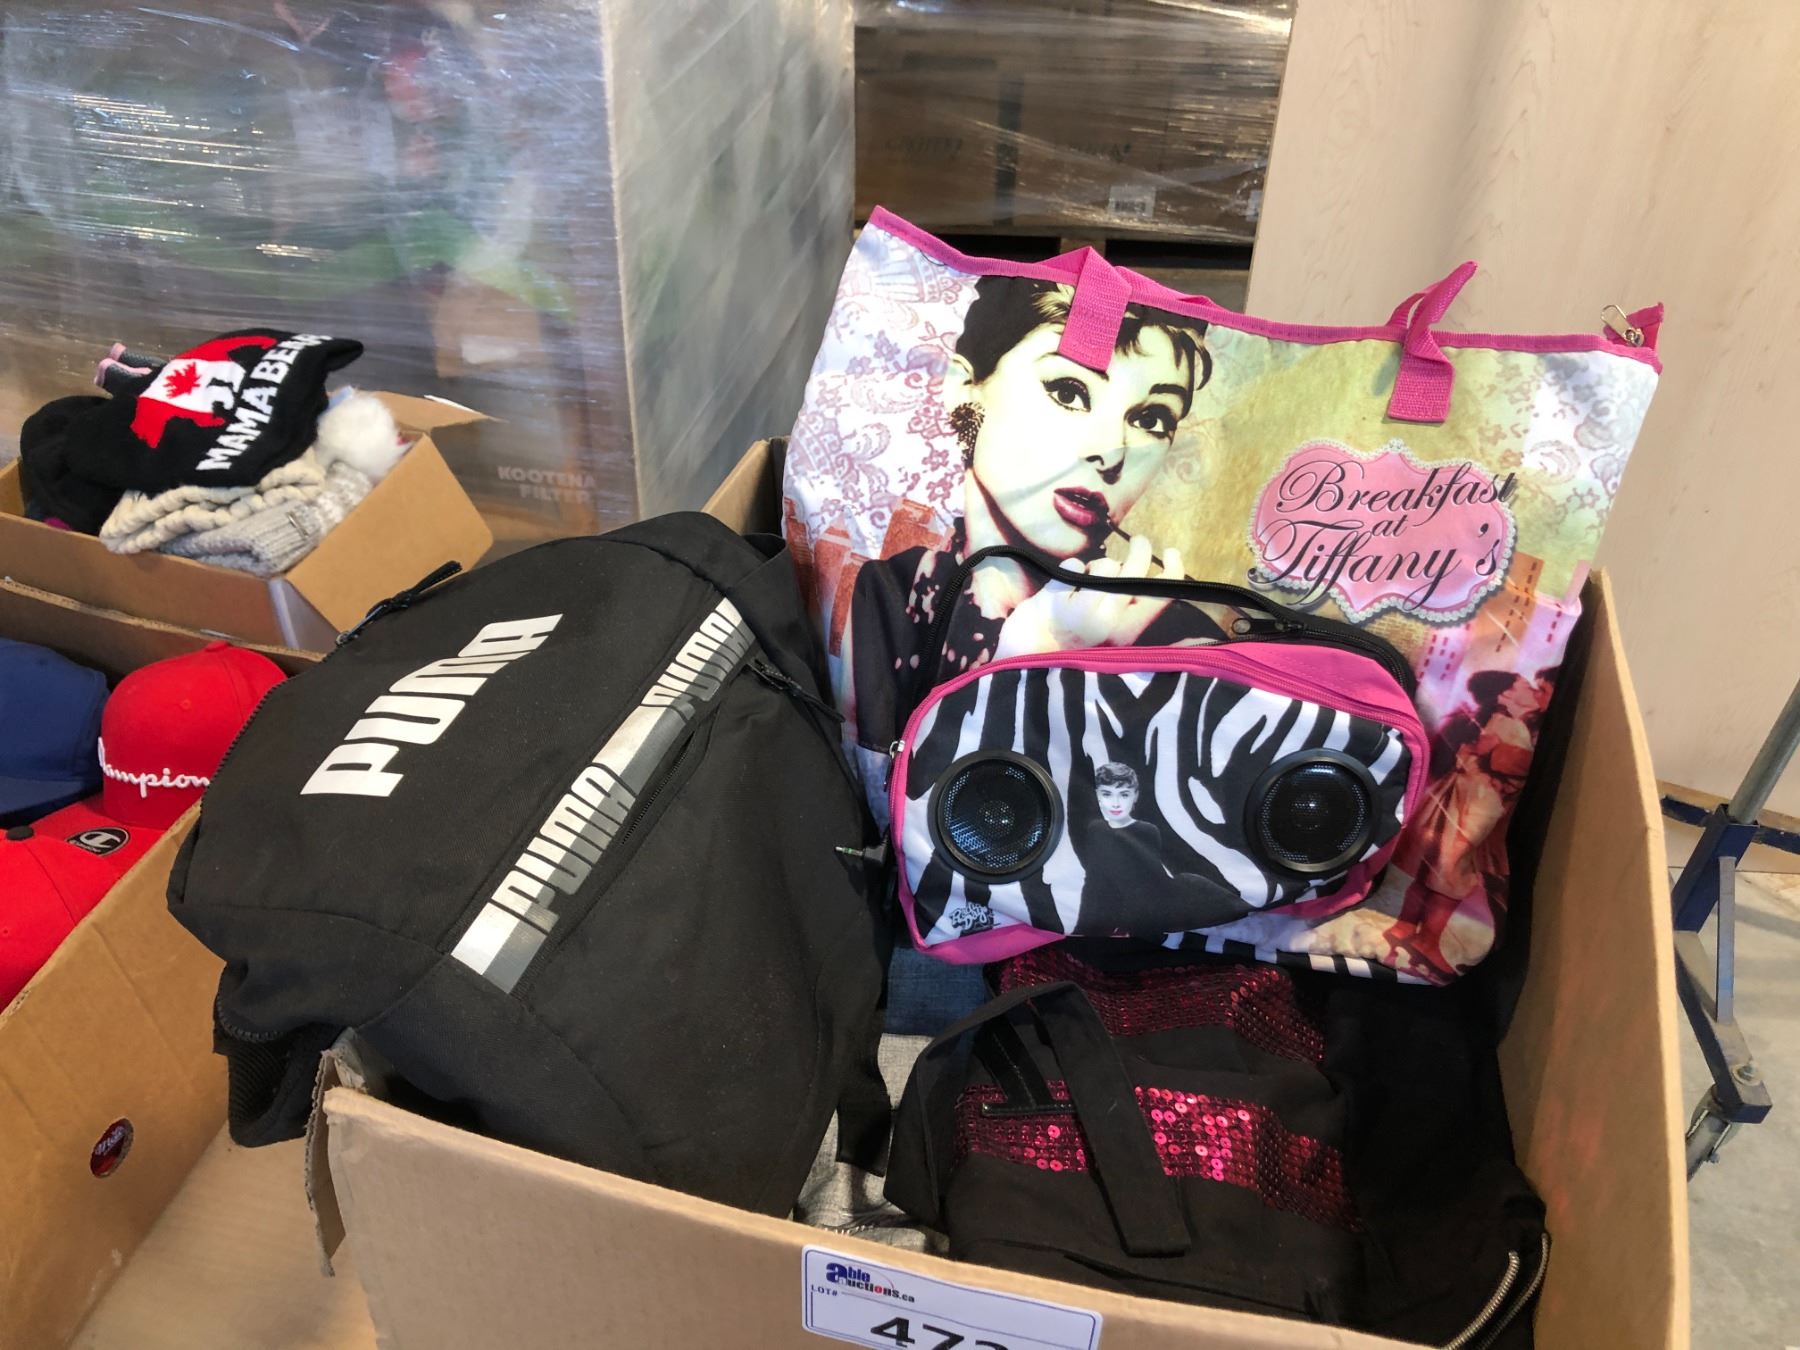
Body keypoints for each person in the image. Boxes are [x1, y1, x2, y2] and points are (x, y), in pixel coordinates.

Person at [844, 276, 1224, 756]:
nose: (1110, 452)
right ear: (965, 389)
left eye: (1150, 420)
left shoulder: (1179, 638)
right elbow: (871, 784)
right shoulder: (895, 591)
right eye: (1069, 391)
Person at [1076, 762, 1251, 935]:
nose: (1115, 803)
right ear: (1097, 795)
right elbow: (1095, 882)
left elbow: (1150, 882)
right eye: (1107, 794)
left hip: (1173, 899)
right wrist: (1084, 928)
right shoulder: (1097, 830)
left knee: (1242, 913)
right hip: (1146, 912)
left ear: (1135, 796)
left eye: (1124, 794)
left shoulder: (1146, 830)